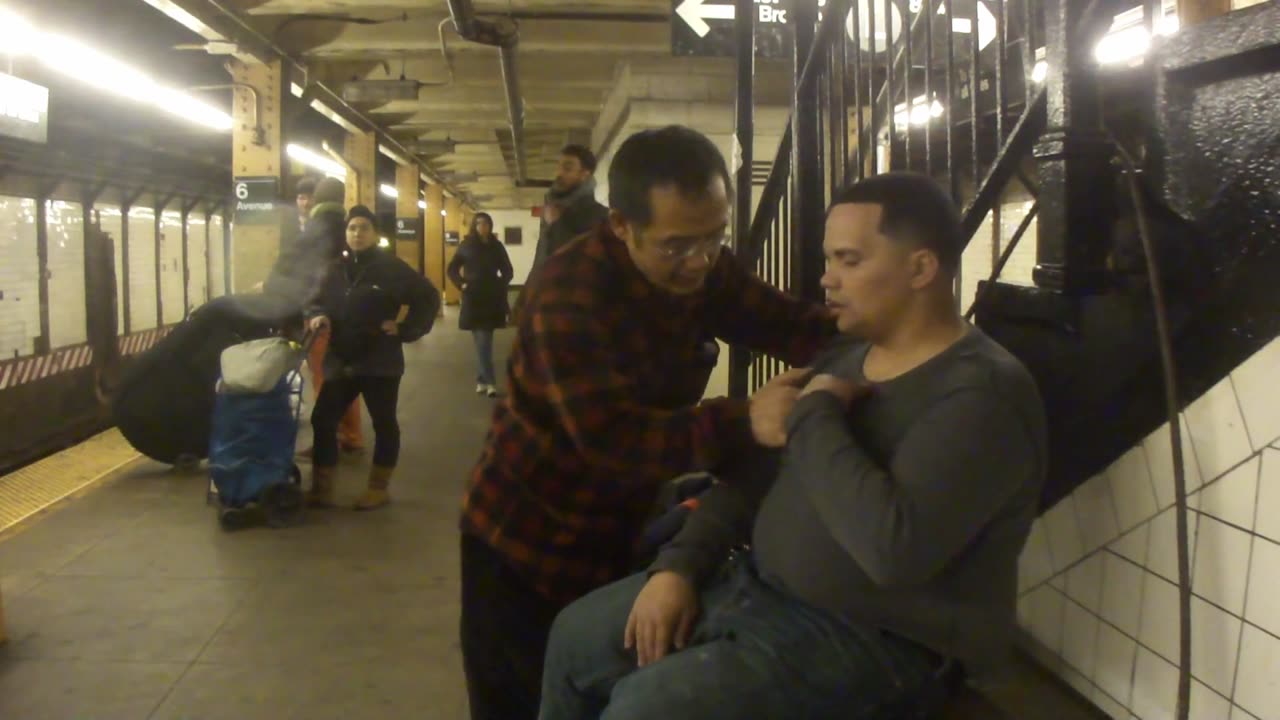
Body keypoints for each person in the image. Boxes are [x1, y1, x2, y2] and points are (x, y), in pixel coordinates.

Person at [538, 173, 1049, 720]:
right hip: (756, 587)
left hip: (875, 639)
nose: (826, 280)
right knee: (575, 637)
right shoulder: (847, 356)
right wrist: (678, 568)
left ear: (921, 268)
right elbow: (752, 479)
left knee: (645, 709)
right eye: (829, 259)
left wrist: (816, 412)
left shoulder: (980, 396)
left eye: (849, 261)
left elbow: (894, 550)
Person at [459, 125, 837, 720]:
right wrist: (746, 421)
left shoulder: (700, 266)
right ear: (619, 225)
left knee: (597, 690)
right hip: (525, 538)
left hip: (616, 531)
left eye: (714, 238)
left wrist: (886, 337)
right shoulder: (568, 295)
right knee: (522, 701)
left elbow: (785, 323)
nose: (700, 261)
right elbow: (613, 442)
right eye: (677, 246)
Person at [306, 205, 441, 511]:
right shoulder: (333, 270)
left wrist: (407, 329)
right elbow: (314, 302)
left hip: (379, 360)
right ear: (345, 232)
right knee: (323, 419)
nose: (357, 233)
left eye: (364, 228)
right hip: (341, 358)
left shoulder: (392, 268)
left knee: (383, 423)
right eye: (352, 228)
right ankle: (321, 488)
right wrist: (318, 316)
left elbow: (428, 297)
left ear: (375, 233)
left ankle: (378, 489)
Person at [265, 177, 366, 456]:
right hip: (346, 317)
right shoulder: (347, 228)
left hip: (319, 316)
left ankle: (327, 441)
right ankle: (352, 434)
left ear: (319, 199)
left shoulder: (317, 227)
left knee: (323, 379)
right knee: (344, 378)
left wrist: (272, 291)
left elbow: (292, 265)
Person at [512, 144, 610, 320]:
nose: (559, 173)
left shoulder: (598, 214)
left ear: (585, 174)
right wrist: (528, 294)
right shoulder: (552, 208)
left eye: (568, 168)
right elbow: (542, 257)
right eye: (559, 166)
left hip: (575, 311)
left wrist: (558, 224)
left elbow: (589, 261)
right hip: (544, 302)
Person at [448, 211, 514, 398]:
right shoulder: (466, 245)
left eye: (485, 223)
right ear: (474, 226)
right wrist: (461, 283)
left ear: (490, 226)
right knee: (481, 342)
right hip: (473, 298)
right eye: (479, 224)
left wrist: (500, 284)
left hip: (491, 299)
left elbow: (508, 270)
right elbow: (452, 268)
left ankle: (486, 381)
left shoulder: (497, 246)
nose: (482, 227)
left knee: (484, 341)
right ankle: (486, 380)